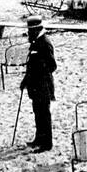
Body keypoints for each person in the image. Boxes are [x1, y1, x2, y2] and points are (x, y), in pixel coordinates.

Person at [20, 17, 57, 152]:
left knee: (44, 115)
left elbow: (52, 66)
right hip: (35, 85)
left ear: (37, 30)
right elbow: (31, 66)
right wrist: (25, 80)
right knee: (37, 113)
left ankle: (47, 144)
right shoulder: (36, 42)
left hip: (43, 86)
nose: (28, 33)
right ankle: (39, 139)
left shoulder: (45, 43)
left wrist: (39, 71)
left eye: (30, 31)